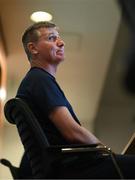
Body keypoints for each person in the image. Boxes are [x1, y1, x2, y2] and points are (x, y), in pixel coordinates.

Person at [16, 21, 135, 179]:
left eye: (59, 38)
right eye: (52, 38)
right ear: (33, 48)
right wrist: (106, 151)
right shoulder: (39, 80)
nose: (61, 42)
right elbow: (73, 132)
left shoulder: (36, 81)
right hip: (74, 170)